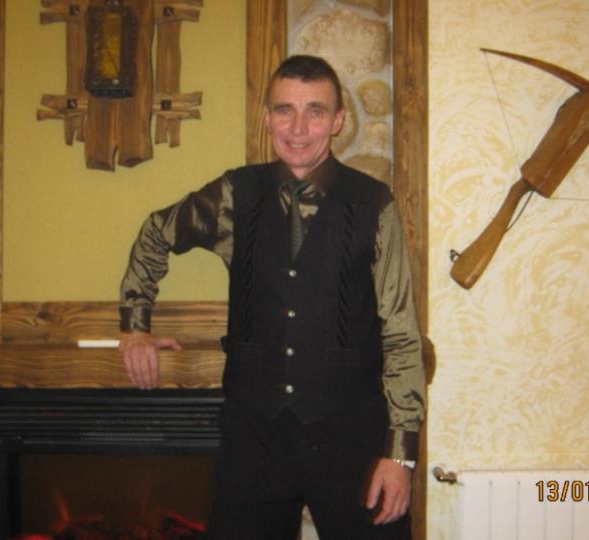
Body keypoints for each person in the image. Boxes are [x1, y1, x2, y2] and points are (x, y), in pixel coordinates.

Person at [119, 55, 425, 539]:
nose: (298, 128)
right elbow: (157, 232)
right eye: (285, 110)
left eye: (315, 111)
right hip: (254, 439)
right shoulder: (234, 195)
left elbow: (401, 333)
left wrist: (401, 456)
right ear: (267, 118)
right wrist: (135, 326)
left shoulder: (374, 204)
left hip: (352, 436)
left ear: (338, 121)